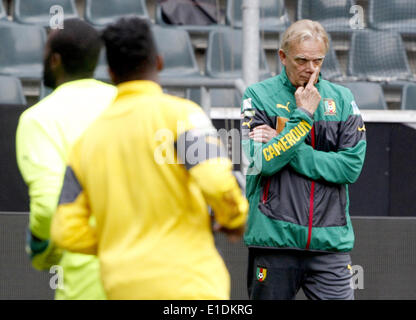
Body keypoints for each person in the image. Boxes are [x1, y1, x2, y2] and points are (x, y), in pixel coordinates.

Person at [51, 16, 248, 300]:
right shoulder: (183, 116)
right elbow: (217, 182)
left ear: (111, 72)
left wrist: (116, 243)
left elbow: (64, 230)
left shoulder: (86, 142)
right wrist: (234, 217)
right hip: (190, 285)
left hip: (122, 286)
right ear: (159, 62)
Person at [241, 19, 367, 300]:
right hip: (274, 241)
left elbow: (349, 168)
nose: (310, 69)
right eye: (302, 60)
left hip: (330, 245)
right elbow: (263, 162)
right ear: (283, 57)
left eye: (318, 61)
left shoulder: (343, 99)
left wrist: (283, 140)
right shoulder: (258, 96)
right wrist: (303, 118)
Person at [16, 19, 117, 300]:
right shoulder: (127, 102)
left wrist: (41, 243)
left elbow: (49, 206)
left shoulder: (38, 119)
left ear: (56, 60)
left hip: (89, 280)